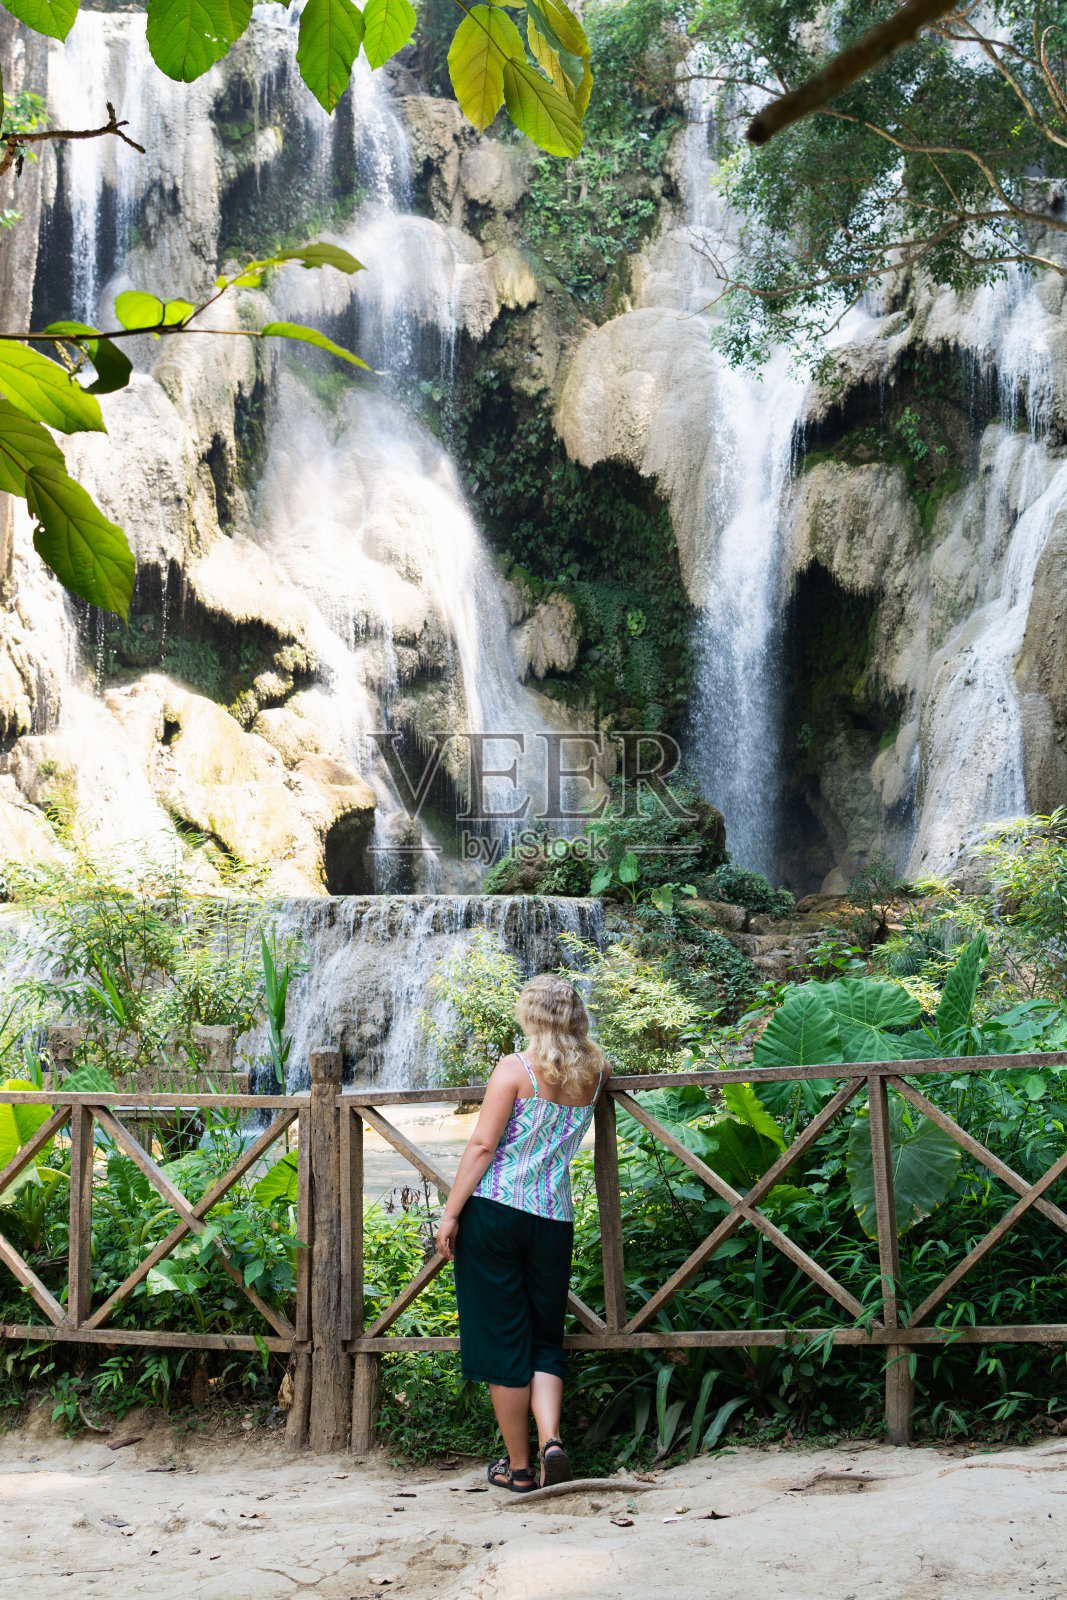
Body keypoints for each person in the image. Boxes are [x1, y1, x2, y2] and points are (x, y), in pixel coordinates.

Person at [434, 972, 610, 1493]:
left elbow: (483, 1147)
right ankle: (552, 1438)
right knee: (543, 1337)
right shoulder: (596, 1073)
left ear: (529, 1016)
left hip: (495, 1213)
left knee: (501, 1342)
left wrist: (449, 1214)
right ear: (577, 1016)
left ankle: (520, 1468)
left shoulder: (514, 1069)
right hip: (553, 1218)